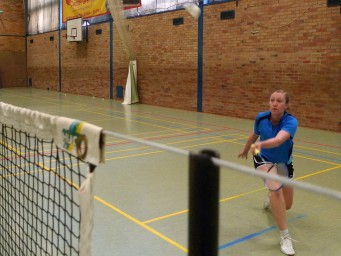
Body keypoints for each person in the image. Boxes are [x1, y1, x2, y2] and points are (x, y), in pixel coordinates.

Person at [238, 90, 298, 256]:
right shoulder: (261, 117)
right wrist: (245, 149)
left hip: (284, 162)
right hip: (261, 157)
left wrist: (260, 144)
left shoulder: (291, 121)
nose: (275, 103)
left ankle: (272, 196)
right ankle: (285, 236)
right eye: (272, 100)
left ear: (286, 105)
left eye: (279, 101)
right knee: (276, 191)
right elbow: (254, 134)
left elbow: (279, 140)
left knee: (287, 205)